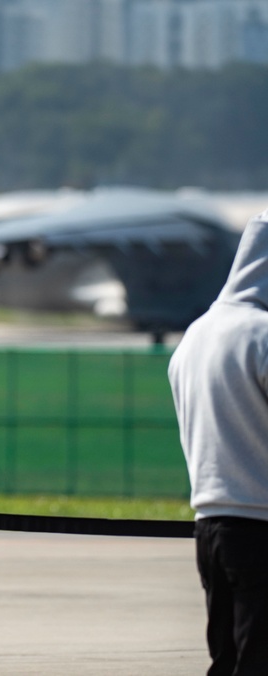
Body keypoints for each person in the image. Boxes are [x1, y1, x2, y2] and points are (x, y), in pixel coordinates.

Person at [168, 208, 268, 676]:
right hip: (262, 524)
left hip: (209, 525)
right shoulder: (261, 335)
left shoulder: (196, 334)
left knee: (226, 660)